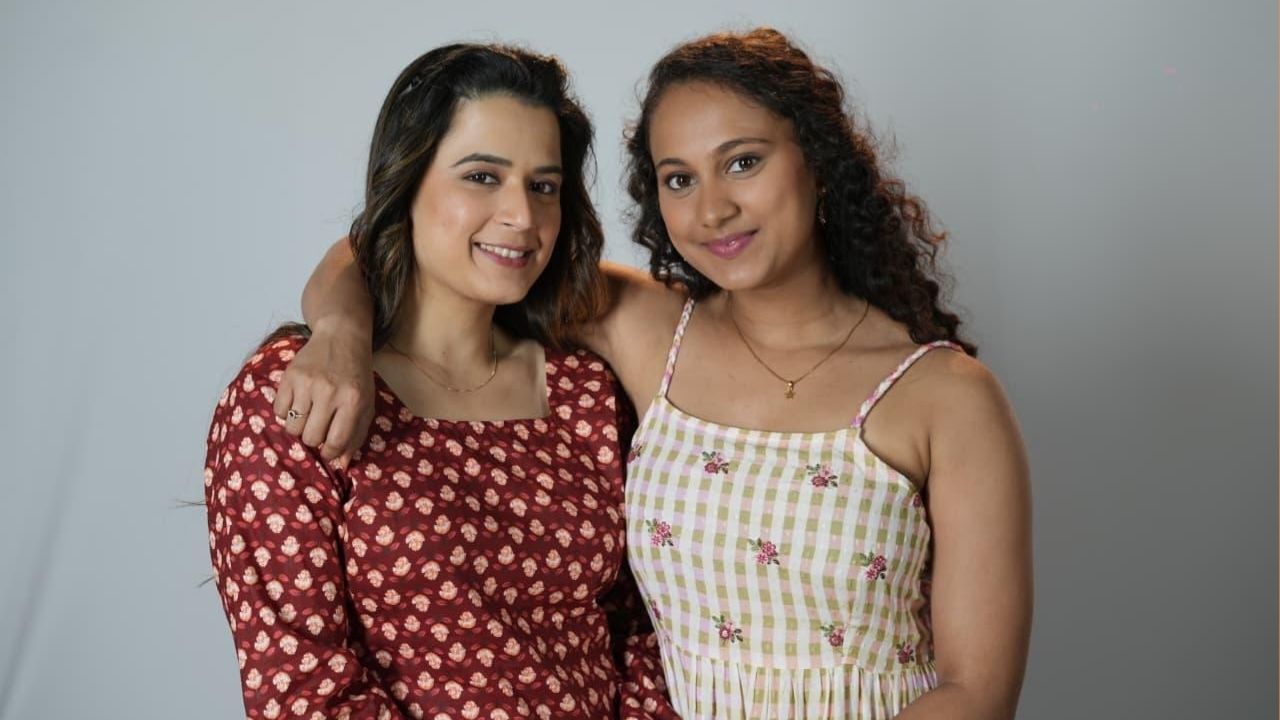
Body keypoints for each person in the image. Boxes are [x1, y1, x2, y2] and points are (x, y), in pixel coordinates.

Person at [286, 28, 1032, 719]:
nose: (713, 209)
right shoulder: (647, 331)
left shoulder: (946, 396)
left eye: (743, 162)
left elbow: (977, 693)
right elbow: (401, 239)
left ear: (819, 162)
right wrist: (342, 330)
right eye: (679, 179)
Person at [204, 43, 671, 720]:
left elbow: (643, 627)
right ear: (407, 182)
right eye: (482, 176)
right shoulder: (296, 394)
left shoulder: (585, 391)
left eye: (543, 186)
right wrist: (339, 329)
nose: (522, 216)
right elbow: (301, 688)